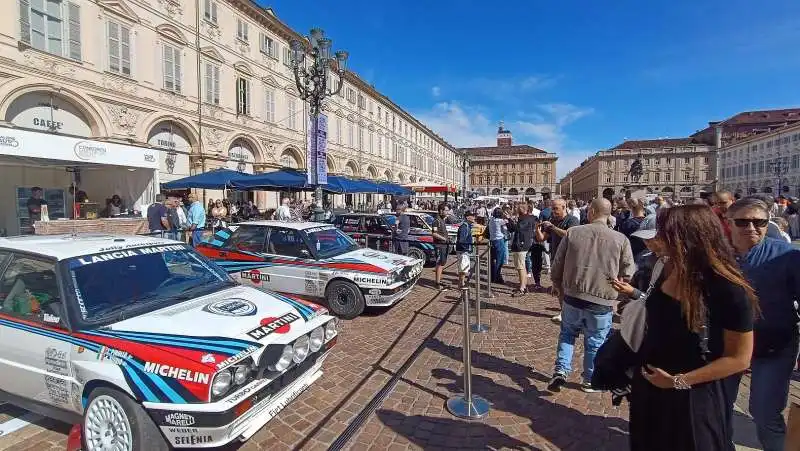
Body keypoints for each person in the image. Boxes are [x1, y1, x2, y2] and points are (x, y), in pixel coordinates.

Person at [623, 205, 757, 450]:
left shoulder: (728, 288)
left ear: (690, 236)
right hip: (651, 388)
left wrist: (678, 381)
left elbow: (739, 359)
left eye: (667, 233)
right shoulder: (665, 267)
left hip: (693, 394)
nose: (659, 239)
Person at [724, 198, 800, 451]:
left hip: (773, 346)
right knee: (719, 408)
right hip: (726, 348)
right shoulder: (716, 255)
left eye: (759, 222)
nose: (751, 228)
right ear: (729, 222)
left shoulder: (787, 255)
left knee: (765, 413)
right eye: (742, 222)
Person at [548, 198, 635, 393]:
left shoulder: (573, 233)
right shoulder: (621, 239)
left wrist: (556, 282)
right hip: (601, 298)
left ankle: (561, 370)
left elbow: (558, 263)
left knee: (567, 334)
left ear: (592, 212)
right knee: (595, 341)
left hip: (573, 294)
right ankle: (589, 379)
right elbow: (629, 272)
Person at [537, 198, 580, 322]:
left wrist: (553, 227)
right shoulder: (552, 220)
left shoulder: (572, 220)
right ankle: (563, 312)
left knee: (568, 287)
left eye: (556, 208)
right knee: (558, 286)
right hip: (556, 256)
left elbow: (570, 235)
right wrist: (537, 229)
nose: (553, 211)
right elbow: (542, 238)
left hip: (569, 258)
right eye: (552, 208)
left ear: (564, 207)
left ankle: (570, 313)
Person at [507, 202, 536, 296]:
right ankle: (523, 286)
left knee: (521, 267)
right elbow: (512, 229)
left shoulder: (526, 219)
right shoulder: (527, 218)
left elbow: (517, 228)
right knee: (520, 267)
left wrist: (509, 219)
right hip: (522, 244)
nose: (515, 210)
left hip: (521, 244)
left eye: (517, 208)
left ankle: (522, 287)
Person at [432, 203, 451, 291]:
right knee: (439, 264)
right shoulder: (436, 220)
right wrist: (444, 238)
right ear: (441, 211)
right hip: (439, 245)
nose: (447, 212)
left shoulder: (442, 220)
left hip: (444, 245)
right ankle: (437, 283)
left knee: (442, 263)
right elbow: (434, 233)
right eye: (446, 210)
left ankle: (438, 280)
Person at [455, 211, 475, 288]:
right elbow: (462, 240)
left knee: (464, 267)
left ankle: (461, 283)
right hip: (463, 251)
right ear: (467, 217)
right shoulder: (464, 226)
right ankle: (461, 284)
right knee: (463, 267)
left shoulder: (467, 226)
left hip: (464, 250)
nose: (474, 217)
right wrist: (467, 248)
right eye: (472, 216)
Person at [488, 207, 508, 284]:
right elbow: (507, 221)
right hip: (499, 240)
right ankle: (497, 277)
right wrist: (506, 216)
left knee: (493, 260)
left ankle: (492, 276)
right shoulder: (500, 221)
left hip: (492, 240)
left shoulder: (491, 220)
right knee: (500, 260)